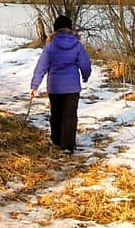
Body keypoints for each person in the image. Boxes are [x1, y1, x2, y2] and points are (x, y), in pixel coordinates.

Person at [30, 15, 92, 153]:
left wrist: (34, 85)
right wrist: (86, 76)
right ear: (70, 28)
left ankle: (57, 140)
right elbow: (85, 63)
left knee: (56, 114)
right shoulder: (77, 44)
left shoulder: (50, 45)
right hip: (72, 87)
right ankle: (68, 146)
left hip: (54, 87)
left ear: (55, 29)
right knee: (70, 116)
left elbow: (41, 66)